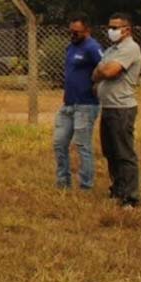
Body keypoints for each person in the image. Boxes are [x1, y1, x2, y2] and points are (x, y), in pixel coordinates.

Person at [93, 12, 141, 208]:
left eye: (115, 27)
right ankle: (118, 189)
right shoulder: (112, 50)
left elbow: (108, 71)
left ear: (127, 29)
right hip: (108, 107)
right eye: (109, 27)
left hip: (122, 108)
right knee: (110, 151)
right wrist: (101, 70)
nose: (111, 31)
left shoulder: (130, 48)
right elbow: (95, 74)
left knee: (124, 153)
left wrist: (102, 70)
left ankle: (130, 197)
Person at [53, 15, 102, 190]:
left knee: (83, 146)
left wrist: (96, 87)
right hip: (68, 104)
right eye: (70, 31)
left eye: (76, 32)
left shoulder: (92, 47)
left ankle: (86, 185)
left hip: (86, 105)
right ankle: (63, 183)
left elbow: (103, 69)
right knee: (59, 143)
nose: (72, 34)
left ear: (87, 31)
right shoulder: (70, 47)